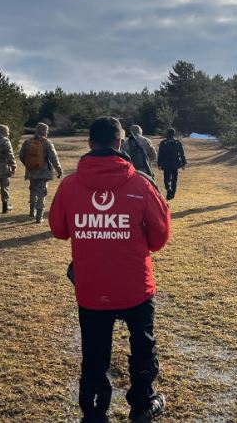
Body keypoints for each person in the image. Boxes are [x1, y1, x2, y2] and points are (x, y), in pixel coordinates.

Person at [49, 117, 171, 423]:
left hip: (91, 286)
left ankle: (93, 412)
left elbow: (58, 229)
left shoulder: (70, 185)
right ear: (120, 144)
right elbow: (159, 238)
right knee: (142, 346)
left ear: (90, 144)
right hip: (135, 285)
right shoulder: (141, 184)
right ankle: (142, 405)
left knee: (94, 353)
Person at [19, 122, 63, 223]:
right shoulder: (47, 142)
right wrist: (59, 171)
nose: (47, 132)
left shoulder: (27, 142)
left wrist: (28, 165)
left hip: (31, 171)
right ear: (43, 131)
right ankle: (39, 216)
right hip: (43, 172)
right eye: (46, 130)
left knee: (32, 189)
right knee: (41, 193)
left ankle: (31, 211)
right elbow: (54, 158)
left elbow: (21, 155)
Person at [157, 128, 187, 200]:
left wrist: (159, 164)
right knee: (174, 179)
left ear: (167, 134)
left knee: (166, 179)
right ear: (174, 134)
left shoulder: (163, 142)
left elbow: (160, 154)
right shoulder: (177, 142)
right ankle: (172, 194)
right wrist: (183, 164)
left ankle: (168, 189)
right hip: (175, 164)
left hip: (166, 163)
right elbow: (182, 154)